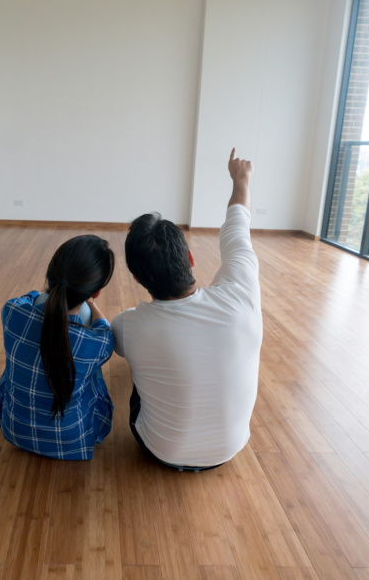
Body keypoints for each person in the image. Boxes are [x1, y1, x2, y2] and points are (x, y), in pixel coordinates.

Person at [112, 147, 262, 470]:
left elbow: (107, 337)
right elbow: (237, 230)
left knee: (143, 373)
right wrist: (242, 180)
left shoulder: (130, 326)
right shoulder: (243, 297)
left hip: (162, 453)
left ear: (137, 278)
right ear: (190, 258)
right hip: (230, 448)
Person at [0, 235, 116, 460]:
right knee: (91, 366)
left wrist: (47, 294)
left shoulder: (11, 311)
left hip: (13, 431)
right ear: (95, 292)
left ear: (51, 275)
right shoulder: (100, 342)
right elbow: (103, 327)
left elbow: (31, 297)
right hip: (72, 442)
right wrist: (91, 304)